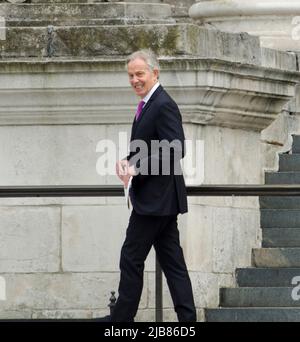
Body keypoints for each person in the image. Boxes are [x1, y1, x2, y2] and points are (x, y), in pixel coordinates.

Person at [99, 49, 196, 322]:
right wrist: (126, 161)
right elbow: (151, 147)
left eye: (140, 74)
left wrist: (137, 167)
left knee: (131, 257)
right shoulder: (149, 104)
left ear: (155, 73)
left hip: (155, 201)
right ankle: (187, 320)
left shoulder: (163, 104)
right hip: (161, 201)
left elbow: (175, 149)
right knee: (173, 264)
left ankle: (121, 320)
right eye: (130, 75)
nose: (134, 80)